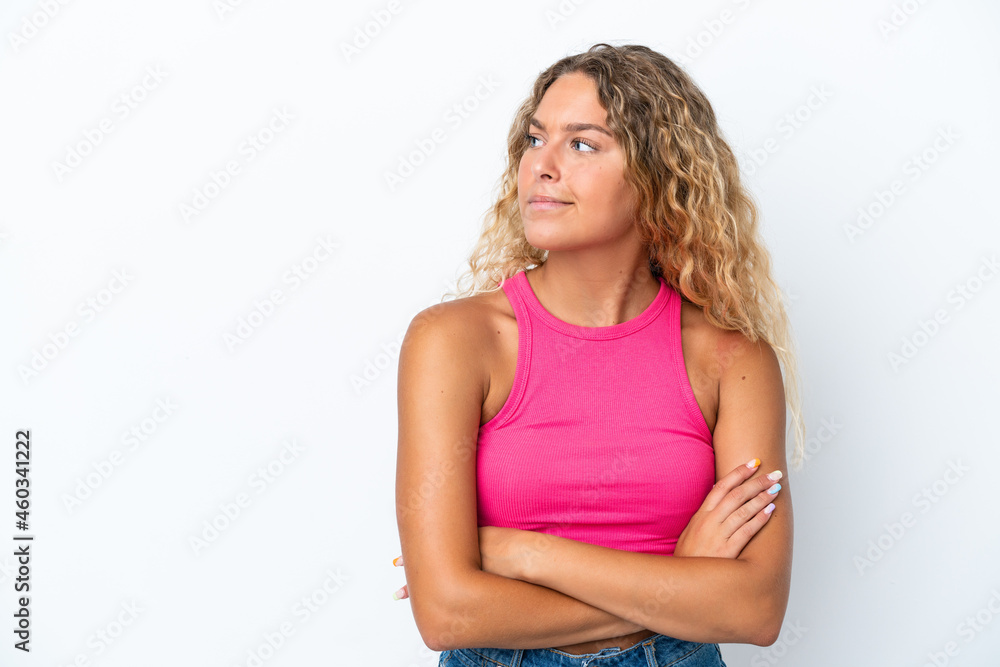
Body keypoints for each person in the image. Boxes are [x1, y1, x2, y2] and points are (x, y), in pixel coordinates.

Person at [393, 43, 803, 666]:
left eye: (582, 144)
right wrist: (677, 580)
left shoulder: (732, 359)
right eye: (535, 140)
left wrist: (524, 555)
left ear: (657, 175)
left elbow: (755, 610)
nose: (542, 166)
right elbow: (448, 613)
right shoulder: (454, 341)